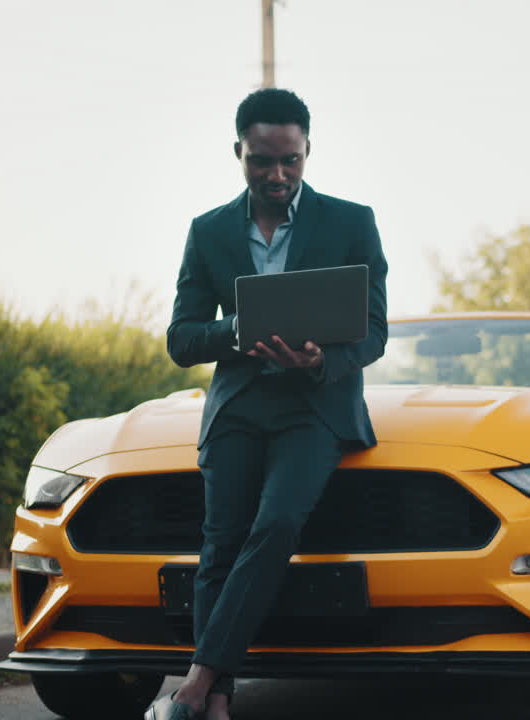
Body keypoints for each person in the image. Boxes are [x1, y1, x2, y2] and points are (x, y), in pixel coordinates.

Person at [149, 88, 388, 720]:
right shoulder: (207, 232)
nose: (277, 175)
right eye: (261, 161)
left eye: (290, 160)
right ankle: (218, 701)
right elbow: (180, 339)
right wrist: (239, 329)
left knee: (278, 523)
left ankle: (197, 682)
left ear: (308, 150)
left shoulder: (350, 222)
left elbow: (374, 331)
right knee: (220, 544)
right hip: (236, 408)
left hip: (316, 406)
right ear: (239, 153)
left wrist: (321, 361)